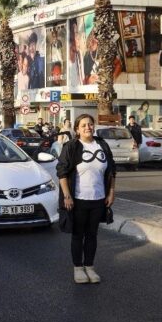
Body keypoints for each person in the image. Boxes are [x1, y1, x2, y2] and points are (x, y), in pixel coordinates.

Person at [56, 113, 116, 284]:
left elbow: (111, 170)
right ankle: (78, 268)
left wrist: (111, 192)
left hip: (98, 199)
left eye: (90, 124)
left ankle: (90, 266)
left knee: (92, 235)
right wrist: (67, 196)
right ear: (77, 129)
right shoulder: (72, 146)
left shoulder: (102, 145)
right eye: (83, 125)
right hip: (78, 199)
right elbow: (62, 172)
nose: (88, 128)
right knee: (78, 235)